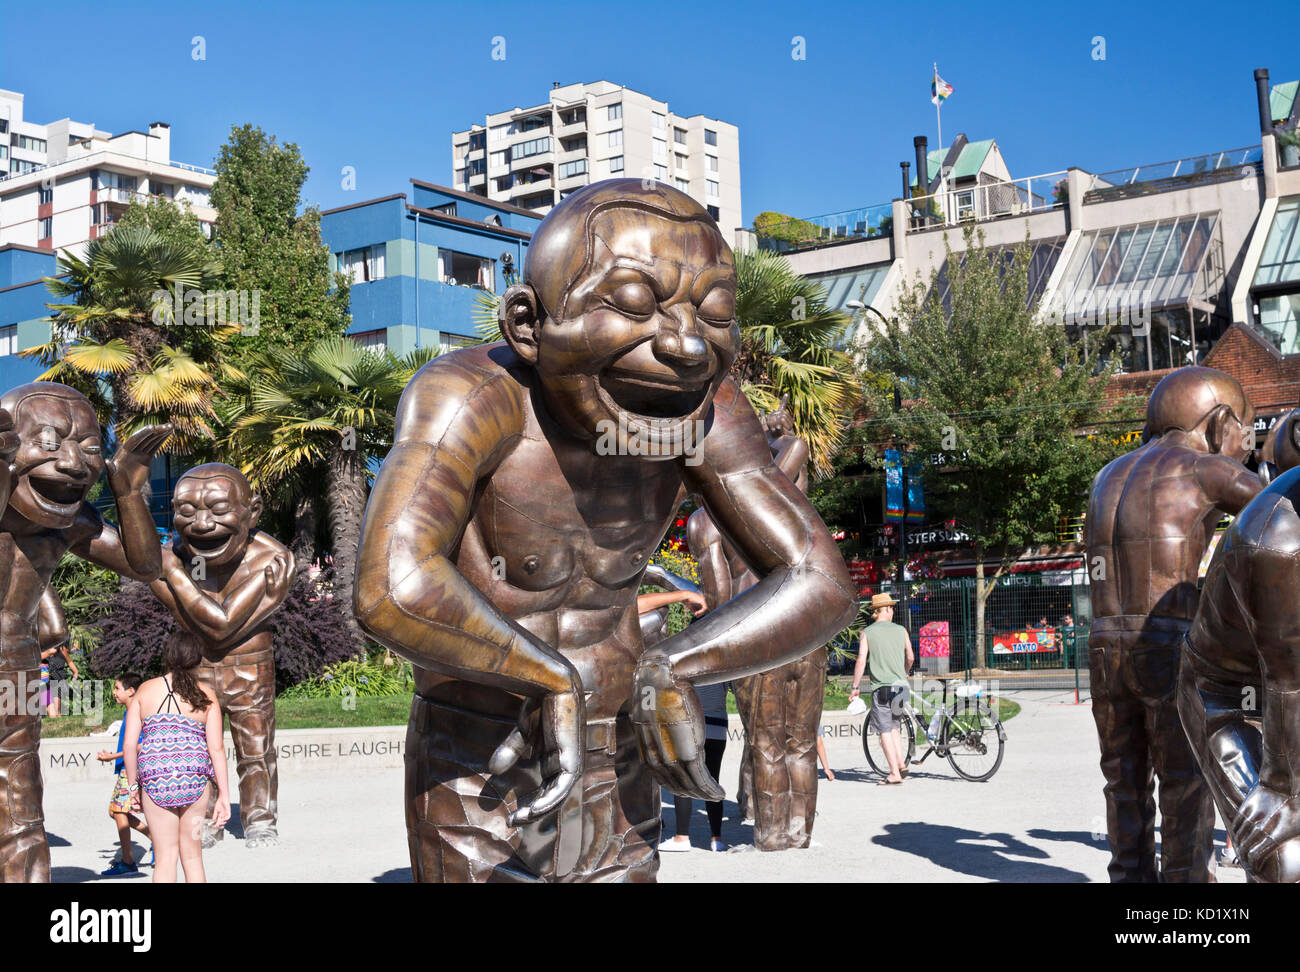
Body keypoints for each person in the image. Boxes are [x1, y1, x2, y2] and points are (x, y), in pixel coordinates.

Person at [354, 180, 858, 883]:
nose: (685, 346)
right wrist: (546, 677)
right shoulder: (471, 399)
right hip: (477, 753)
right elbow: (391, 585)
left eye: (713, 313)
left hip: (616, 752)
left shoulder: (705, 412)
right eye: (630, 304)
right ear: (528, 326)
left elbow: (821, 580)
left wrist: (674, 665)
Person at [1086, 366, 1260, 883]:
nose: (1244, 452)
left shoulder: (1107, 476)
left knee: (1122, 781)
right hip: (1169, 644)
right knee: (1184, 785)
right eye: (1243, 436)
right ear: (1219, 423)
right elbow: (1281, 514)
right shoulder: (1204, 469)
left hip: (1102, 644)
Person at [0, 383, 169, 882]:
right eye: (48, 442)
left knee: (20, 804)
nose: (74, 463)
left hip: (17, 668)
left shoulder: (68, 524)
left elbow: (143, 565)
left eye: (91, 449)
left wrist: (128, 488)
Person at [124, 632, 231, 884]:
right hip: (194, 780)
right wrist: (224, 795)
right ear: (197, 659)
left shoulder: (145, 690)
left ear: (168, 656)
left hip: (155, 778)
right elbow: (216, 748)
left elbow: (130, 745)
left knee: (165, 858)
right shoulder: (206, 695)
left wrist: (132, 787)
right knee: (193, 857)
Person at [850, 593, 915, 786]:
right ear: (884, 609)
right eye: (891, 607)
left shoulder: (868, 632)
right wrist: (903, 673)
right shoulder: (901, 630)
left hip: (882, 687)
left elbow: (861, 660)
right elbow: (910, 657)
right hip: (901, 686)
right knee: (895, 726)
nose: (893, 611)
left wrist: (855, 686)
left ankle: (894, 772)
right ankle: (901, 764)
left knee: (884, 730)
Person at [660, 681, 729, 853]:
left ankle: (682, 837)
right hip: (719, 726)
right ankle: (716, 840)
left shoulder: (690, 662)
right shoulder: (722, 662)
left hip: (691, 725)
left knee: (683, 780)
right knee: (713, 779)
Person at [96, 673, 151, 875]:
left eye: (117, 688)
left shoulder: (137, 713)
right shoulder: (129, 713)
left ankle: (128, 861)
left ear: (131, 691)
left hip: (131, 770)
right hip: (126, 769)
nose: (114, 692)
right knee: (116, 812)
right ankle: (154, 838)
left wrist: (112, 757)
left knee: (118, 812)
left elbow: (139, 745)